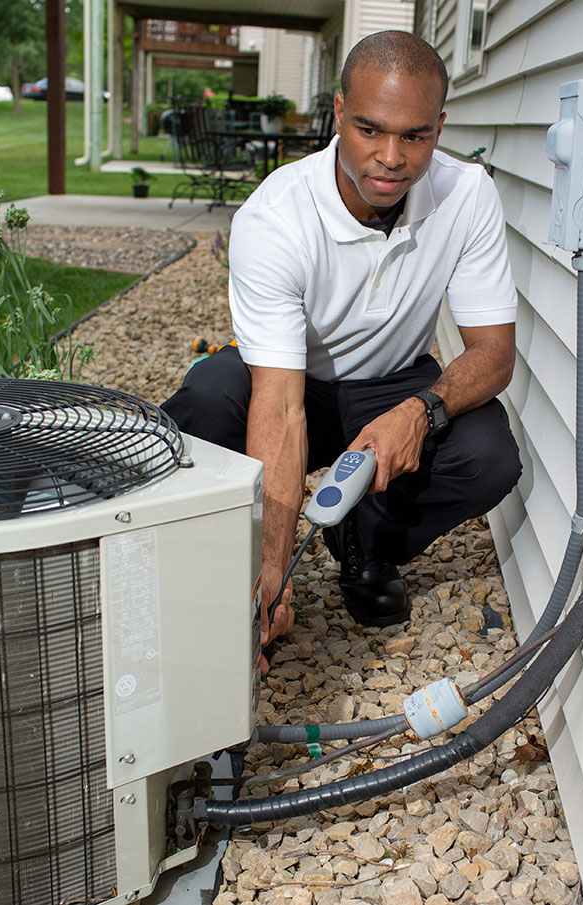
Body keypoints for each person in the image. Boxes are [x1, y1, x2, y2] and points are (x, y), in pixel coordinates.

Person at [162, 30, 522, 671]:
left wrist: (419, 411)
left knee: (488, 454)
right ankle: (230, 582)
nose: (391, 156)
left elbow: (493, 354)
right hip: (290, 381)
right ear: (337, 113)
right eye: (370, 130)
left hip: (392, 385)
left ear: (440, 127)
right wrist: (271, 562)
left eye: (415, 135)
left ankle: (363, 537)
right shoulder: (275, 218)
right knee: (207, 402)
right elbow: (279, 402)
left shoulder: (468, 196)